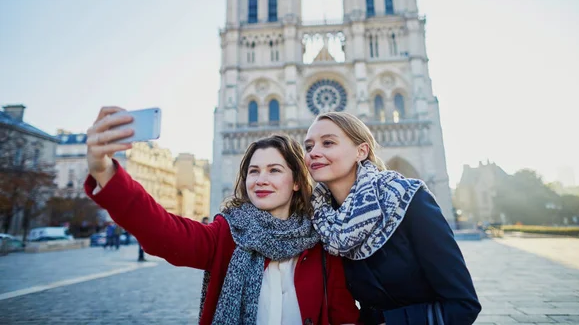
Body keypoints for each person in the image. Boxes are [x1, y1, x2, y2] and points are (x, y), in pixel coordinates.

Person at [84, 106, 359, 325]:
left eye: (274, 170)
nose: (261, 179)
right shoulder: (226, 235)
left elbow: (344, 315)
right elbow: (162, 231)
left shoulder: (321, 242)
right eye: (254, 171)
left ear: (296, 181)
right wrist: (104, 171)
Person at [304, 111, 481, 325]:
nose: (314, 152)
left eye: (328, 143)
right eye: (309, 147)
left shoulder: (408, 200)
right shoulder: (323, 220)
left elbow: (463, 305)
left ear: (361, 151)